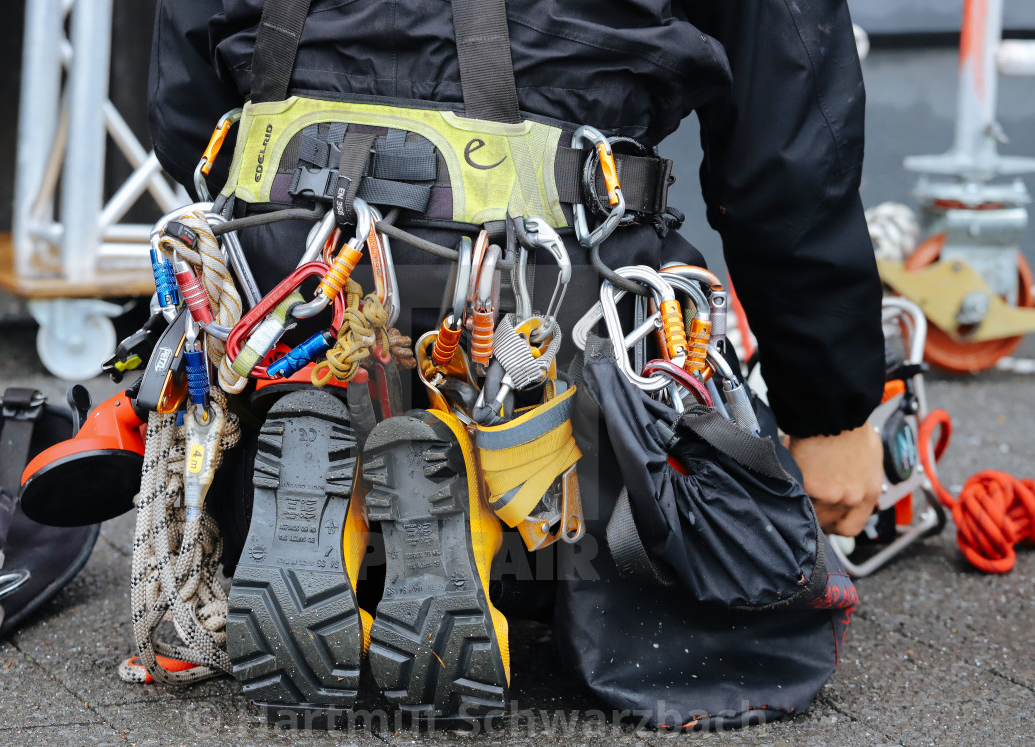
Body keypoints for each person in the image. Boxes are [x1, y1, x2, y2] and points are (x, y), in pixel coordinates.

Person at [146, 0, 884, 722]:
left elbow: (184, 102)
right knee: (670, 508)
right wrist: (829, 409)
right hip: (544, 288)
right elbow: (788, 134)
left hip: (294, 275)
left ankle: (331, 494)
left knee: (282, 370)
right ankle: (479, 497)